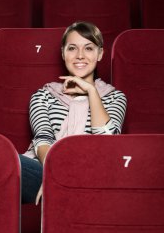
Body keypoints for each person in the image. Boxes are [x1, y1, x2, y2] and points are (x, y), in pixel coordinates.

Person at [19, 21, 127, 205]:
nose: (80, 56)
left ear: (100, 54)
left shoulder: (115, 98)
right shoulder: (43, 95)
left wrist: (91, 92)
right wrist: (54, 175)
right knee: (3, 157)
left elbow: (108, 143)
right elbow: (42, 138)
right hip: (43, 170)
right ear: (63, 53)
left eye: (89, 48)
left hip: (91, 176)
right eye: (72, 48)